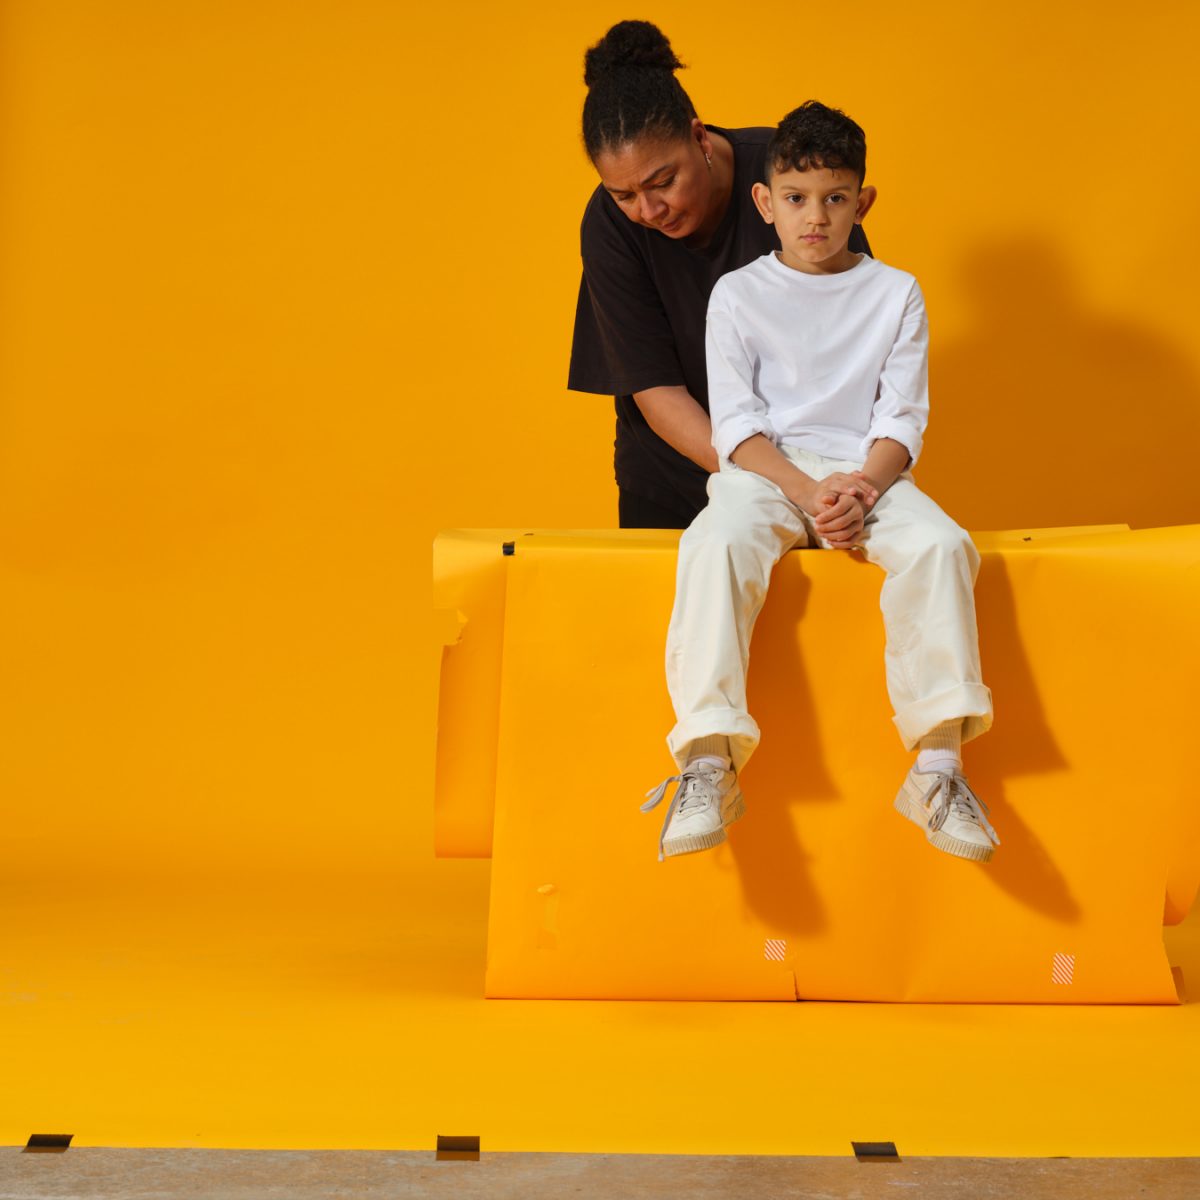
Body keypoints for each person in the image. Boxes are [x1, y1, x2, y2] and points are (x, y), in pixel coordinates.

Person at [640, 101, 998, 864]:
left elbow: (902, 418)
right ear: (765, 202)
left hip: (866, 474)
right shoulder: (738, 294)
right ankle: (706, 761)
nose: (816, 217)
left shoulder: (895, 292)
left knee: (942, 546)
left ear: (862, 204)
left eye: (835, 198)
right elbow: (735, 425)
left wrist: (860, 488)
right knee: (715, 545)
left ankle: (938, 769)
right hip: (765, 471)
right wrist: (807, 493)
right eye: (797, 198)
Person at [568, 20, 871, 529]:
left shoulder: (790, 176)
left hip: (818, 466)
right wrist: (780, 481)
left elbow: (856, 335)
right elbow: (656, 392)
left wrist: (820, 481)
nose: (649, 210)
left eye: (663, 181)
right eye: (624, 195)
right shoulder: (608, 226)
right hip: (674, 477)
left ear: (699, 137)